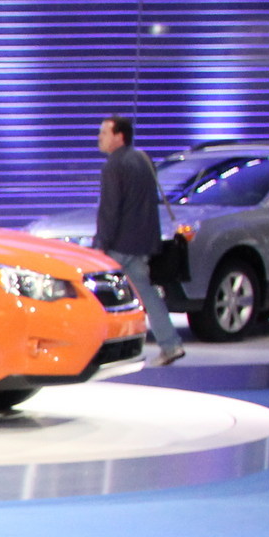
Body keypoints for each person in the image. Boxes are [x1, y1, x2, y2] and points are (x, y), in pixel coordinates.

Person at [95, 115, 185, 367]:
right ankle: (171, 343)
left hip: (119, 244)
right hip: (143, 242)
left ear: (118, 136)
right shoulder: (144, 159)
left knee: (99, 296)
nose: (99, 138)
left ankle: (99, 349)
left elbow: (110, 209)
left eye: (104, 133)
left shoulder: (114, 166)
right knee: (147, 294)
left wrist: (102, 242)